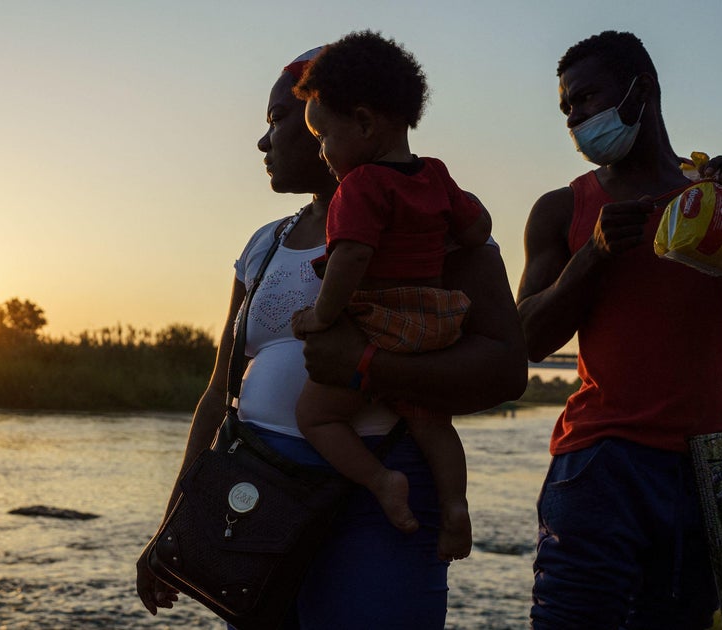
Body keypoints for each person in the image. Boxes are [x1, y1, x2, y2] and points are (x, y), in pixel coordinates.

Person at [136, 46, 526, 628]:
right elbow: (220, 392)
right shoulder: (265, 245)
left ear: (354, 120)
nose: (264, 142)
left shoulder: (428, 225)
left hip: (377, 504)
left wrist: (367, 364)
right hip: (260, 501)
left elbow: (506, 369)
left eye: (277, 120)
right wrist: (174, 528)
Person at [516, 30, 722, 628]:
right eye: (566, 107)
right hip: (599, 466)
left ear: (640, 90)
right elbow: (523, 339)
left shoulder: (714, 200)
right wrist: (593, 257)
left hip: (706, 471)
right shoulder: (561, 209)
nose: (575, 117)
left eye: (586, 98)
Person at [286, 31, 491, 562]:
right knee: (430, 422)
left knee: (316, 416)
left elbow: (351, 258)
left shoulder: (360, 187)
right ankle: (456, 507)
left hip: (383, 324)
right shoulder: (436, 175)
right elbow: (478, 227)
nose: (323, 151)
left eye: (324, 135)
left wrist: (320, 315)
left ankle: (381, 482)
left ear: (364, 123)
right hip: (433, 323)